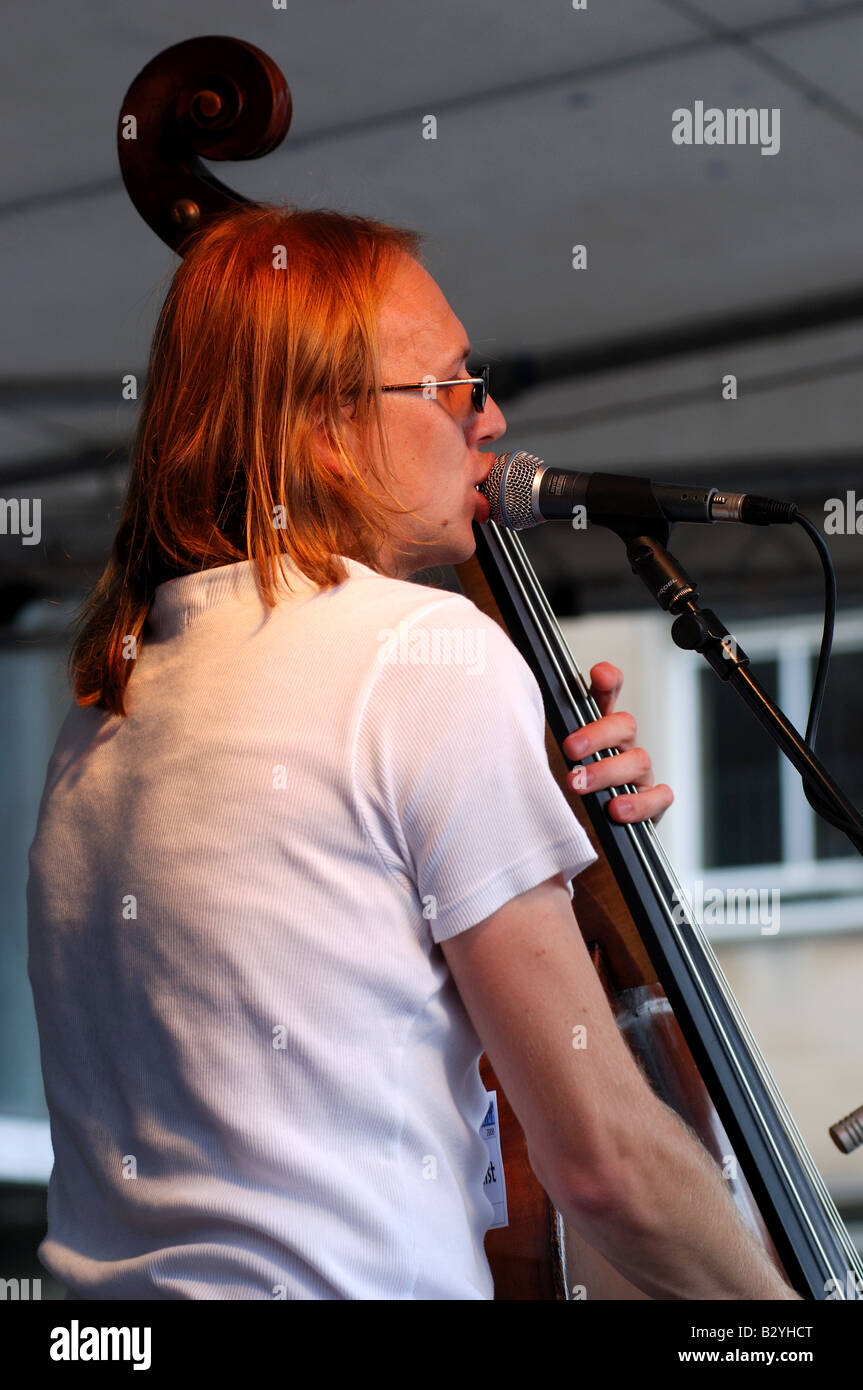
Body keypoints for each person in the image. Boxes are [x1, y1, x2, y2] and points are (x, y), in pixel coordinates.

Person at [26, 203, 798, 1301]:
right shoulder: (418, 650)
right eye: (446, 386)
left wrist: (538, 833)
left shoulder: (106, 704)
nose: (487, 419)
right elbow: (604, 1164)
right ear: (321, 427)